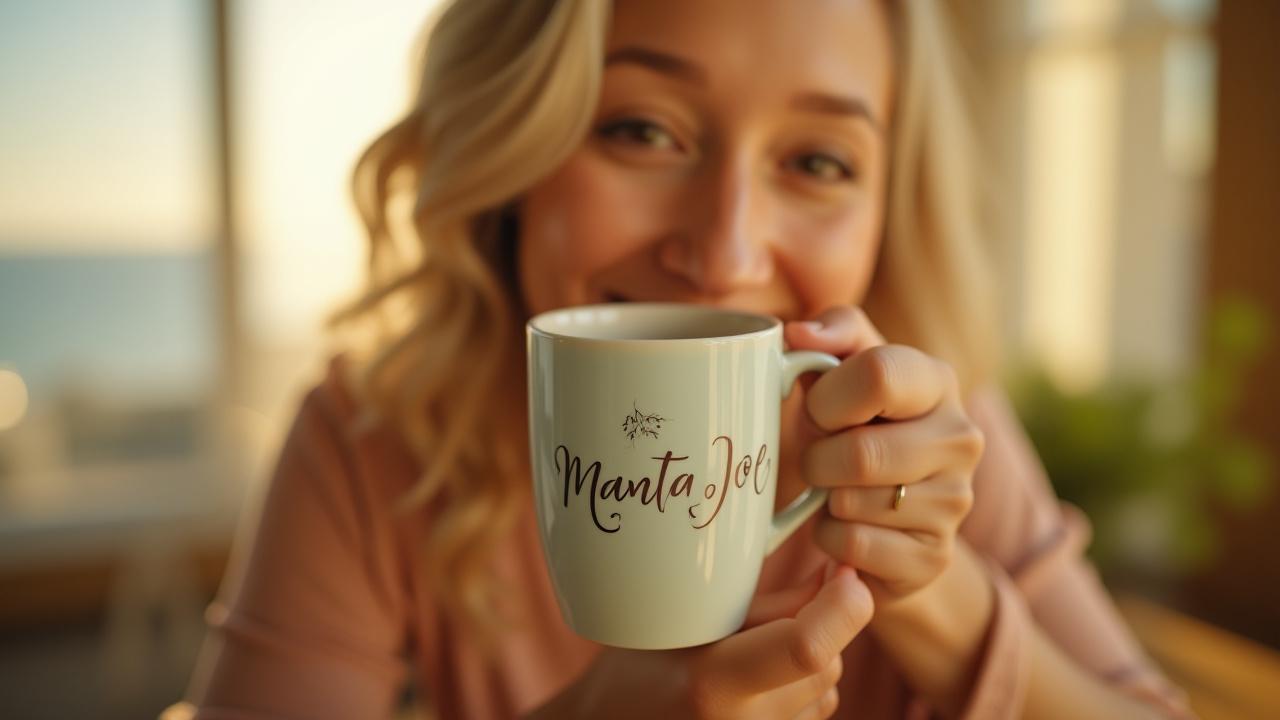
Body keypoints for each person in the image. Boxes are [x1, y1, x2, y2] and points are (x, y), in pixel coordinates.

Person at [177, 0, 1195, 717]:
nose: (723, 254)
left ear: (887, 207)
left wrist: (933, 590)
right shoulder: (376, 436)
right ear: (510, 148)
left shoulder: (926, 439)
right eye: (640, 131)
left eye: (815, 161)